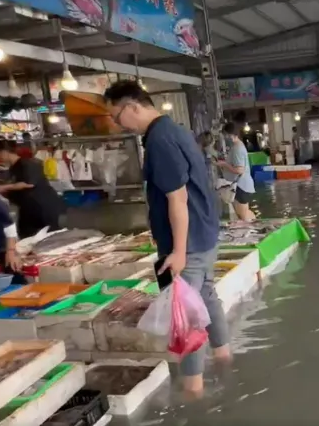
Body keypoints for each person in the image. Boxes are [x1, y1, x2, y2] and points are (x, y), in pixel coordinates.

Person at [103, 80, 230, 397]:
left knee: (184, 315)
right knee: (207, 296)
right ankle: (225, 359)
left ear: (132, 106)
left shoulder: (159, 140)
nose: (118, 124)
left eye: (116, 116)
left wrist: (179, 251)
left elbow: (177, 199)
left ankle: (193, 392)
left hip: (187, 242)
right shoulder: (176, 130)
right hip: (205, 233)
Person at [0, 140, 64, 239]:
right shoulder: (13, 168)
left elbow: (29, 184)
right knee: (27, 238)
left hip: (43, 209)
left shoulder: (28, 164)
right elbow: (16, 187)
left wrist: (2, 187)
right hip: (29, 210)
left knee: (48, 239)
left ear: (4, 152)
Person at [216, 123, 256, 222]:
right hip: (243, 185)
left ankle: (254, 228)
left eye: (225, 135)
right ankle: (256, 225)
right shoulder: (238, 146)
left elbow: (239, 170)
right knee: (244, 212)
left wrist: (224, 164)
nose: (225, 138)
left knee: (243, 214)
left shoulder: (237, 148)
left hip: (241, 185)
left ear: (230, 134)